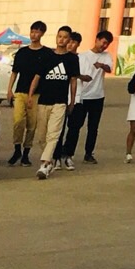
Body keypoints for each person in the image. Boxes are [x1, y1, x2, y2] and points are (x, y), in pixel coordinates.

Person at [58, 27, 114, 165]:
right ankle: (65, 151)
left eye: (107, 44)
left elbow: (109, 68)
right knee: (75, 126)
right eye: (103, 42)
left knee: (93, 127)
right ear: (97, 40)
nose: (104, 45)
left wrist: (101, 65)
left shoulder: (106, 56)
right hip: (82, 96)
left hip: (97, 96)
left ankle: (89, 153)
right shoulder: (82, 56)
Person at [35, 26, 82, 178]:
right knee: (42, 136)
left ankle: (44, 164)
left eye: (65, 37)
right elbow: (37, 77)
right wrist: (30, 95)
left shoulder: (72, 59)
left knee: (53, 134)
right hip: (44, 100)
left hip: (60, 102)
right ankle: (50, 161)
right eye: (59, 36)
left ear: (69, 40)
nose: (61, 39)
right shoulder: (47, 56)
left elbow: (73, 81)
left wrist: (72, 101)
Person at [7, 22, 56, 166]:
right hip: (20, 92)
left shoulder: (47, 53)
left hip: (37, 94)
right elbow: (14, 72)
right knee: (18, 121)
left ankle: (26, 153)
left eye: (37, 32)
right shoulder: (22, 52)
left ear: (42, 34)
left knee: (32, 125)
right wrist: (9, 89)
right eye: (32, 31)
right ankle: (17, 149)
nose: (34, 35)